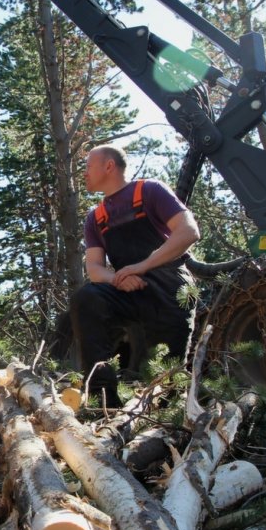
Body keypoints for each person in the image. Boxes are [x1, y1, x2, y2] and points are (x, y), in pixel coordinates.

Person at [69, 145, 200, 407]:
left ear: (109, 166)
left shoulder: (150, 190)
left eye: (88, 166)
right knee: (86, 298)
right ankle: (103, 399)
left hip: (170, 287)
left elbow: (188, 232)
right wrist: (117, 279)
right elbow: (94, 268)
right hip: (129, 290)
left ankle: (170, 419)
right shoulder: (96, 217)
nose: (84, 173)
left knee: (169, 385)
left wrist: (142, 266)